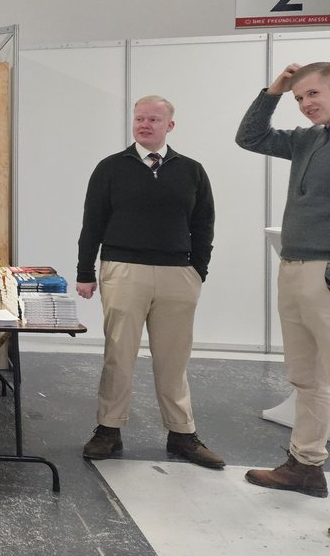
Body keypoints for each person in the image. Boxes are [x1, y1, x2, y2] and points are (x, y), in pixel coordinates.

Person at [75, 95, 222, 469]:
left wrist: (197, 270)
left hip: (178, 275)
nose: (145, 124)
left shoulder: (191, 170)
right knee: (119, 354)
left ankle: (182, 433)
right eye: (139, 118)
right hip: (123, 270)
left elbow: (203, 223)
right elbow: (92, 222)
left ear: (169, 125)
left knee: (174, 359)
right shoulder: (110, 168)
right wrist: (84, 272)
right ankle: (108, 429)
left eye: (153, 119)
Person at [236, 62, 330, 499]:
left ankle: (308, 461)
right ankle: (306, 465)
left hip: (324, 272)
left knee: (326, 377)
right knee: (306, 377)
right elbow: (249, 136)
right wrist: (274, 90)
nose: (306, 104)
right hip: (294, 267)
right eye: (300, 98)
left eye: (313, 94)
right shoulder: (307, 139)